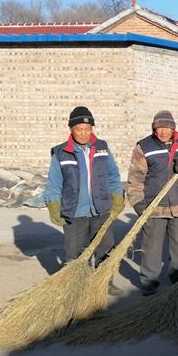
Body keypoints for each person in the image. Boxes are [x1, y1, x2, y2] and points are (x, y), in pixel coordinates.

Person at [45, 106, 124, 276]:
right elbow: (54, 182)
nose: (83, 133)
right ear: (71, 129)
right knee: (75, 255)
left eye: (87, 129)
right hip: (74, 213)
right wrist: (53, 205)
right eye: (79, 129)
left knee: (105, 251)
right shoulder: (61, 152)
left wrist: (118, 197)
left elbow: (113, 175)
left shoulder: (102, 148)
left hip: (101, 210)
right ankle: (77, 286)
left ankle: (103, 285)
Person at [127, 110, 178, 296]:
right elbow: (135, 177)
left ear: (173, 128)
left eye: (167, 127)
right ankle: (149, 282)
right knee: (151, 248)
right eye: (159, 127)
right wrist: (138, 202)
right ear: (154, 129)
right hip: (154, 208)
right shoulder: (144, 147)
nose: (163, 131)